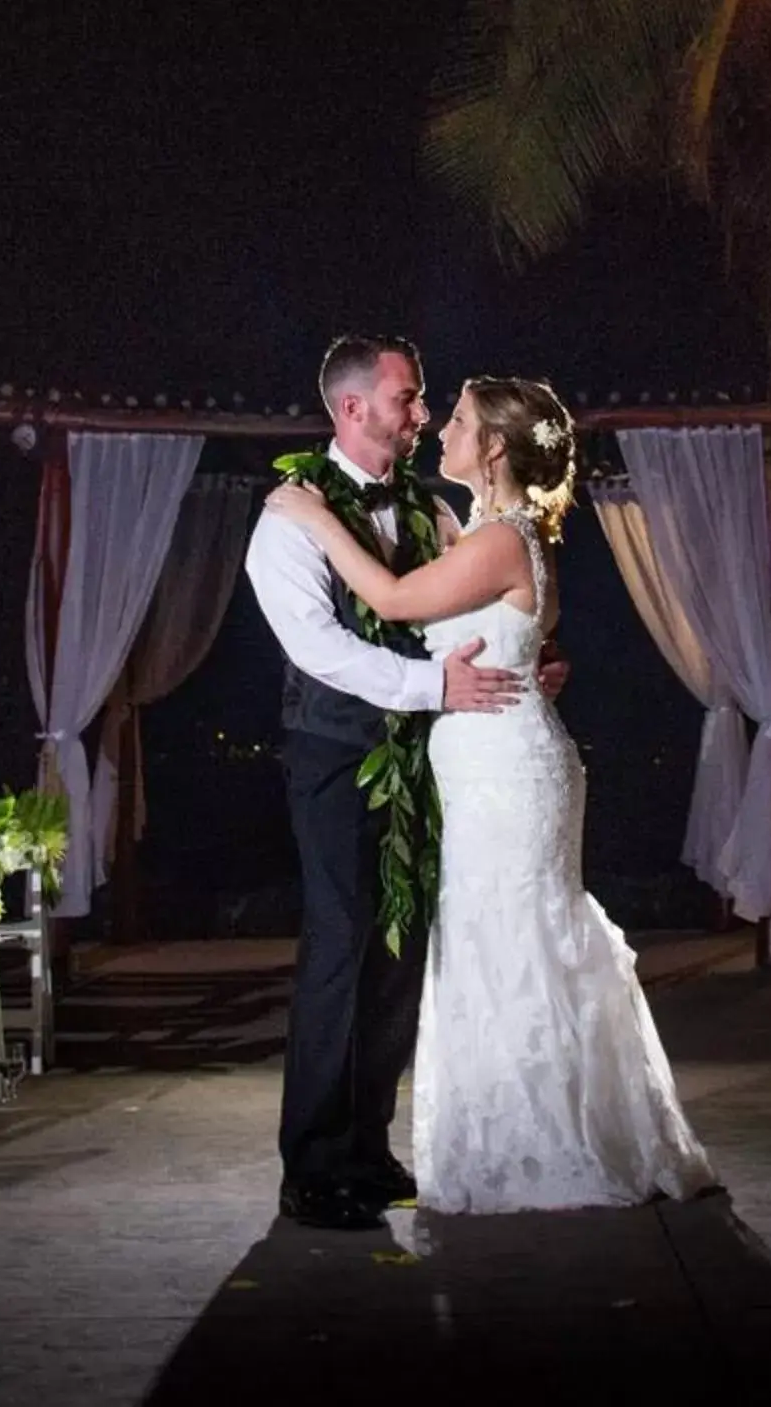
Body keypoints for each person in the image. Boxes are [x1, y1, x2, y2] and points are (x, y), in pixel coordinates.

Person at [266, 375, 716, 1215]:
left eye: (460, 419)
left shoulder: (499, 537)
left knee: (508, 935)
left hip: (501, 772)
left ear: (495, 449)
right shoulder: (475, 528)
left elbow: (397, 600)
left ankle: (539, 1144)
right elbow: (504, 632)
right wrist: (533, 662)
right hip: (490, 763)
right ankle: (522, 1132)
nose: (440, 426)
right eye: (430, 407)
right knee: (500, 935)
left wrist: (320, 521)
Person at [242, 334, 547, 1232]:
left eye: (422, 403)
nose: (420, 414)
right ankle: (313, 1166)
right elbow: (320, 650)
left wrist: (512, 664)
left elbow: (448, 617)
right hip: (333, 755)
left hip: (424, 755)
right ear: (352, 409)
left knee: (400, 946)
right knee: (341, 943)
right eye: (408, 399)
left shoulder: (427, 508)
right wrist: (432, 687)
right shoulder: (288, 519)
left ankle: (367, 1149)